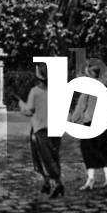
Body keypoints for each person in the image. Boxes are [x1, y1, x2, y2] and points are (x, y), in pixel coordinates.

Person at [19, 62, 63, 198]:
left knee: (41, 157)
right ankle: (48, 183)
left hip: (40, 129)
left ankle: (56, 183)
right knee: (53, 156)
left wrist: (21, 105)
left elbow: (29, 111)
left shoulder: (35, 92)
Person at [69, 60, 107, 190]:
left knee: (88, 150)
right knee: (103, 149)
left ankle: (91, 178)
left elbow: (81, 107)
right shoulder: (104, 87)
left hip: (90, 123)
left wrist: (72, 119)